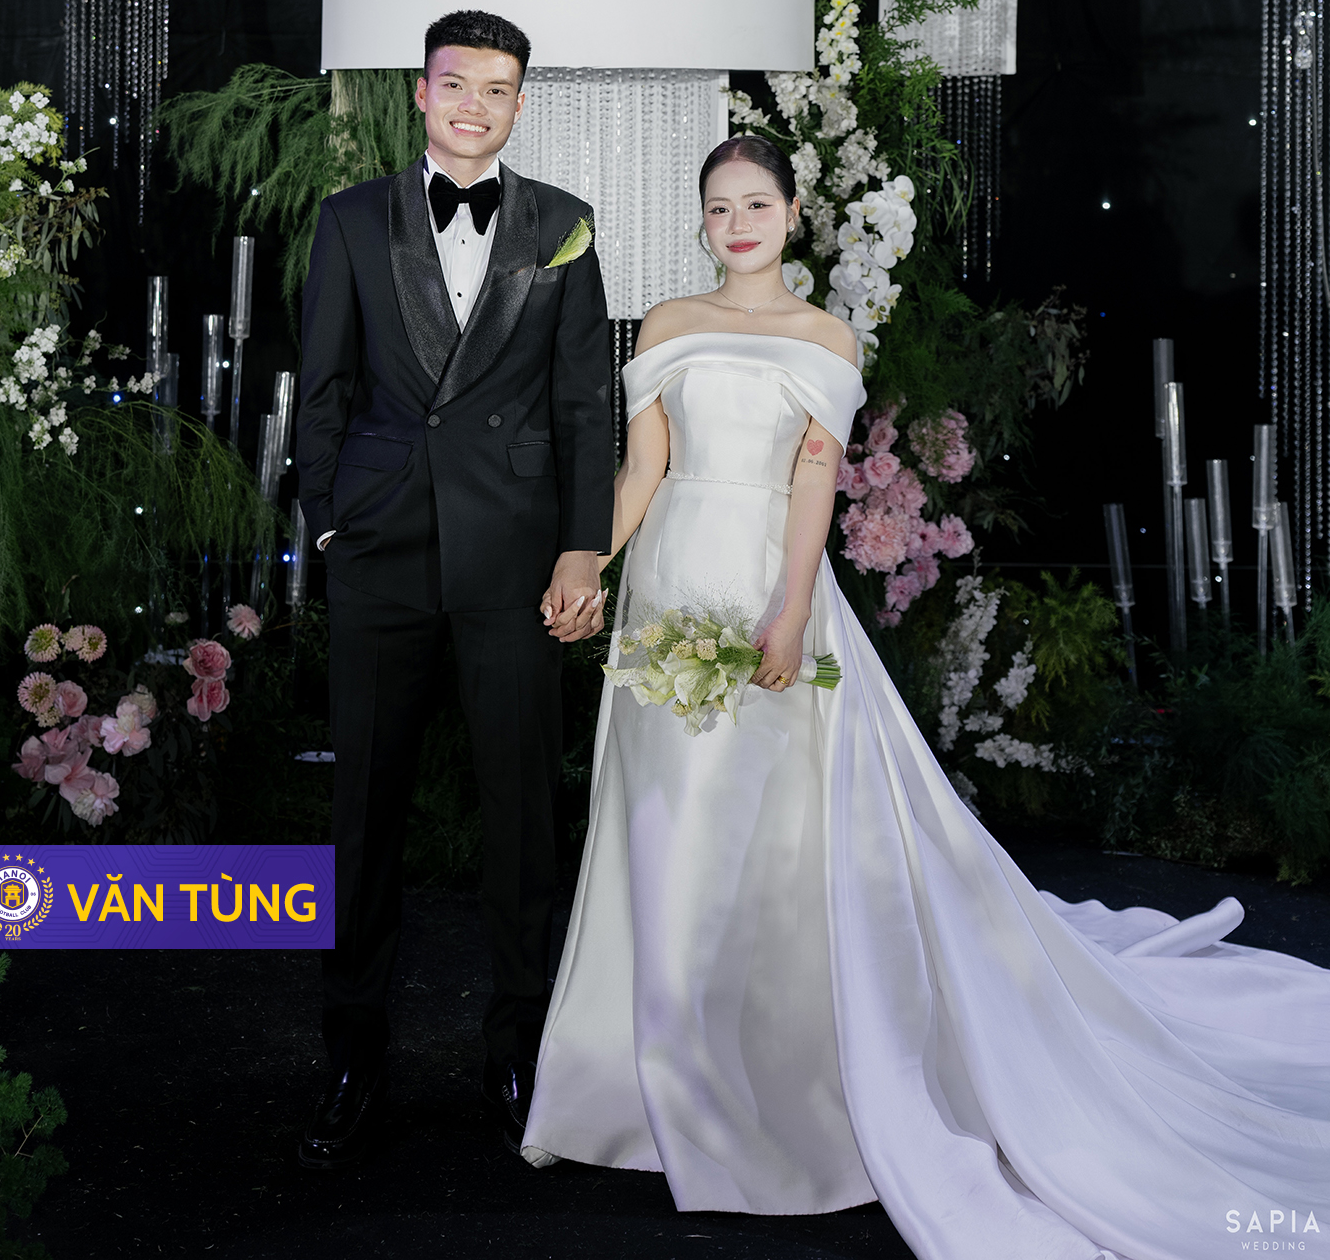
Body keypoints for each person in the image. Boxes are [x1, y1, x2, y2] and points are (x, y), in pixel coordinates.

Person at [523, 134, 1330, 1255]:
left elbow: (813, 480)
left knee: (754, 832)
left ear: (792, 213)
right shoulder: (666, 324)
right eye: (718, 207)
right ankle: (637, 1078)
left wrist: (790, 610)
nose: (738, 223)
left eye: (756, 203)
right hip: (667, 584)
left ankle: (760, 1080)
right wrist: (589, 565)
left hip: (766, 583)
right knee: (659, 825)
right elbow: (642, 469)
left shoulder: (825, 336)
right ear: (701, 221)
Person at [294, 8, 615, 1170]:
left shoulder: (563, 224)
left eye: (497, 87)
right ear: (420, 93)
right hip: (380, 550)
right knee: (363, 815)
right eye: (455, 82)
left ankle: (519, 1051)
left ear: (520, 103)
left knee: (521, 816)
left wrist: (582, 548)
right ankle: (353, 1053)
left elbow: (585, 402)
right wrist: (332, 521)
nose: (474, 103)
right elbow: (322, 385)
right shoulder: (350, 217)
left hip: (515, 559)